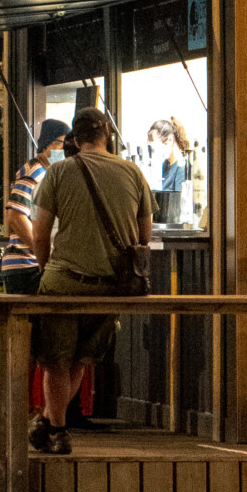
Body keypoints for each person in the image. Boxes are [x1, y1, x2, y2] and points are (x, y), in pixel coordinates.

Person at [29, 106, 152, 456]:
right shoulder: (133, 173)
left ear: (74, 138)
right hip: (112, 286)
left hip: (64, 282)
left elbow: (40, 235)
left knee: (55, 362)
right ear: (107, 135)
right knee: (81, 360)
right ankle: (50, 422)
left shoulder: (58, 173)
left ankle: (56, 428)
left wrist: (44, 269)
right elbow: (143, 237)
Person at [0, 120, 68, 296]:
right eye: (63, 143)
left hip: (28, 265)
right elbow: (15, 215)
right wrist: (41, 253)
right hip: (25, 266)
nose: (66, 151)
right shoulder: (34, 172)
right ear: (50, 144)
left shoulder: (46, 173)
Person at [147, 117, 190, 227]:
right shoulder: (165, 166)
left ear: (169, 140)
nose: (153, 155)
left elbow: (179, 208)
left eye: (154, 149)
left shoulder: (182, 168)